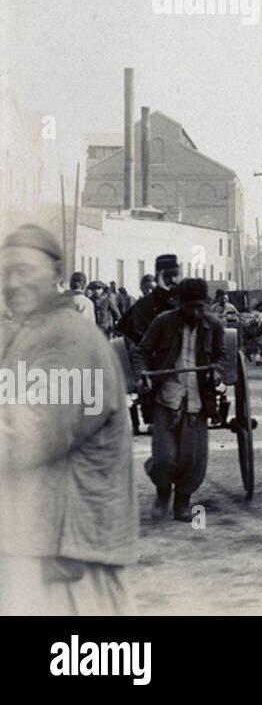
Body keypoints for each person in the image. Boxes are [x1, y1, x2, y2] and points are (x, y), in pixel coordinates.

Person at [0, 224, 136, 616]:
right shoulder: (33, 332)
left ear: (56, 274)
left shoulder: (68, 338)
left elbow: (29, 433)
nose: (13, 283)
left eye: (25, 270)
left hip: (72, 552)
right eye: (6, 272)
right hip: (44, 542)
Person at [132, 277, 228, 522]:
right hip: (167, 398)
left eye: (201, 306)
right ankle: (163, 493)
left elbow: (221, 355)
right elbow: (141, 352)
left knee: (191, 458)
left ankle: (182, 503)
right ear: (179, 303)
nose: (197, 312)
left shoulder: (214, 325)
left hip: (197, 399)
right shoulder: (163, 322)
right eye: (191, 306)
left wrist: (217, 370)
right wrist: (143, 374)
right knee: (164, 457)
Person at [119, 255, 182, 348]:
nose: (172, 280)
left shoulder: (184, 300)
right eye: (167, 276)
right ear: (158, 277)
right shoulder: (143, 305)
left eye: (175, 275)